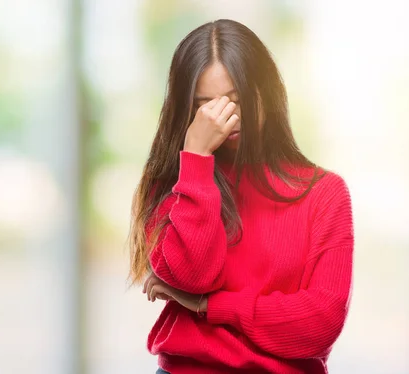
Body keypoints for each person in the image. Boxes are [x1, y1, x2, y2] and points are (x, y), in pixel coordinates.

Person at [128, 19, 354, 374]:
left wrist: (206, 306)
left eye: (236, 101)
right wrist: (197, 160)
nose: (223, 118)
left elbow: (319, 325)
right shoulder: (173, 184)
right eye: (205, 105)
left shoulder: (324, 193)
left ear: (267, 94)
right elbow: (193, 276)